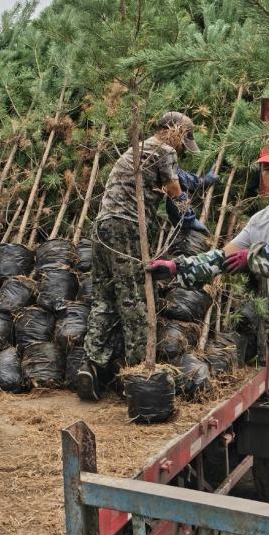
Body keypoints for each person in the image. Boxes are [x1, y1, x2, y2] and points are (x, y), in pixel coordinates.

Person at [149, 136, 269, 516]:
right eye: (266, 168)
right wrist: (178, 268)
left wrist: (254, 258)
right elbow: (223, 257)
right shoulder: (261, 219)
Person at [76, 111, 202, 401]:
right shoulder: (165, 149)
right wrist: (187, 214)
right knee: (133, 300)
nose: (184, 149)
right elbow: (173, 188)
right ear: (177, 133)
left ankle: (91, 367)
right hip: (127, 226)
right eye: (185, 141)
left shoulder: (137, 149)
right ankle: (135, 377)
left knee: (104, 300)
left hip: (103, 226)